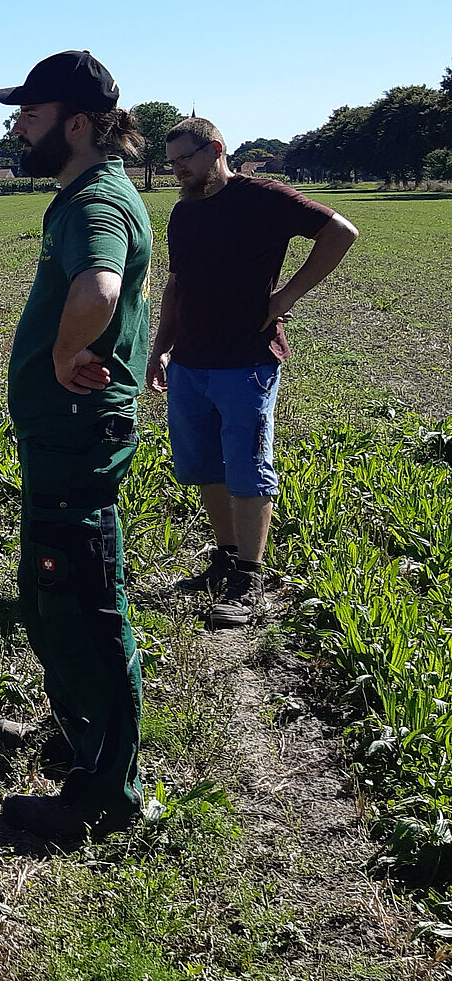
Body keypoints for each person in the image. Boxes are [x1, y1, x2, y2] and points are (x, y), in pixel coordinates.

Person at [0, 50, 153, 844]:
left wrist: (60, 358)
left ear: (79, 124)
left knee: (81, 603)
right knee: (54, 595)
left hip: (77, 436)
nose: (18, 127)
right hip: (65, 438)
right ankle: (84, 736)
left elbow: (100, 287)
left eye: (31, 114)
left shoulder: (95, 202)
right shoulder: (90, 194)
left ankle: (105, 793)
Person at [145, 116, 357, 627]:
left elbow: (340, 233)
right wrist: (160, 348)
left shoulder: (265, 197)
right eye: (172, 162)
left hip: (247, 358)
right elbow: (176, 285)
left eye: (185, 159)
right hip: (191, 360)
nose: (178, 170)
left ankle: (250, 577)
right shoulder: (184, 213)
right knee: (204, 465)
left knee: (247, 464)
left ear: (214, 148)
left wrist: (286, 296)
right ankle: (224, 558)